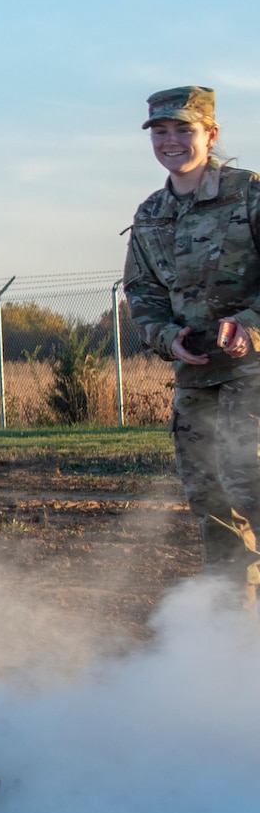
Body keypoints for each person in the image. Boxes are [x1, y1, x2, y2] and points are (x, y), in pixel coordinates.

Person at [122, 85, 260, 585]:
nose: (171, 140)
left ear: (211, 133)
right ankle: (229, 640)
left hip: (254, 371)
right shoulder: (151, 213)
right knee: (212, 505)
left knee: (253, 485)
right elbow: (142, 291)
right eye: (161, 131)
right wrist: (166, 338)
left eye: (184, 129)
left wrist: (249, 325)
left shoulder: (248, 192)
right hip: (195, 377)